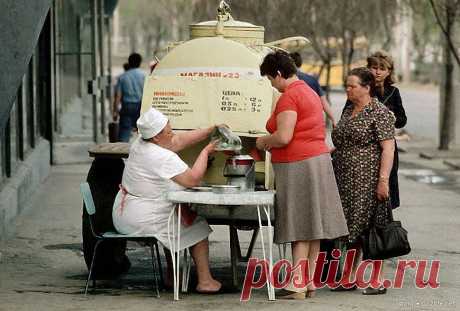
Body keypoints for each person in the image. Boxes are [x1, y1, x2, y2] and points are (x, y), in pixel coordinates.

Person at [256, 51, 349, 299]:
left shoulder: (289, 97)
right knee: (313, 224)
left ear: (278, 74)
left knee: (298, 224)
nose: (272, 85)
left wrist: (264, 141)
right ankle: (308, 282)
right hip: (318, 161)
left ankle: (296, 283)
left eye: (270, 79)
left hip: (297, 164)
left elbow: (284, 136)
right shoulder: (309, 91)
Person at [112, 107, 221, 293]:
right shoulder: (160, 156)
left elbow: (178, 140)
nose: (172, 134)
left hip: (125, 212)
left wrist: (210, 130)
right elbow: (192, 179)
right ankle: (205, 281)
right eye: (168, 132)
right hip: (141, 217)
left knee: (173, 225)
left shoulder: (141, 142)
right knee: (198, 226)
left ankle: (173, 276)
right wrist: (206, 151)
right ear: (156, 137)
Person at [332, 67, 395, 295]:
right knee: (351, 229)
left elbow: (388, 148)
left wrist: (383, 181)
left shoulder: (379, 112)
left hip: (368, 180)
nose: (347, 89)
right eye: (346, 86)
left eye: (352, 86)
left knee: (372, 229)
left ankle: (377, 280)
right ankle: (349, 277)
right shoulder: (348, 110)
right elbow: (341, 141)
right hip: (345, 179)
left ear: (367, 88)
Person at [289, 52, 336, 126]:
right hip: (312, 122)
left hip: (293, 121)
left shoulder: (285, 80)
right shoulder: (312, 80)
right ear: (300, 63)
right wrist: (333, 119)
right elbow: (324, 102)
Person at [112, 53, 146, 142]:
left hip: (127, 107)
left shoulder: (123, 77)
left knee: (124, 133)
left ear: (129, 62)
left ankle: (122, 153)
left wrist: (115, 111)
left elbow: (118, 96)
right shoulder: (144, 76)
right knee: (144, 133)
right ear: (140, 63)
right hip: (141, 106)